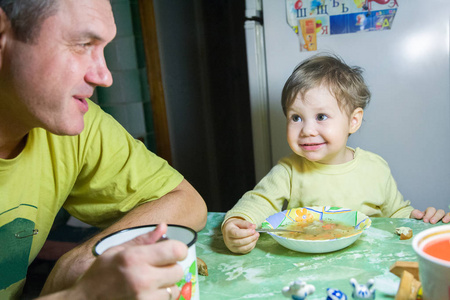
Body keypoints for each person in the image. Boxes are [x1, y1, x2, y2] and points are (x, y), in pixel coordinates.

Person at [0, 0, 207, 299]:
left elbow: (186, 202)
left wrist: (79, 261)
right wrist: (81, 295)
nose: (104, 76)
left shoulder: (72, 124)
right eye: (83, 44)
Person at [222, 54, 450, 254]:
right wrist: (238, 223)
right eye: (296, 117)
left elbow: (398, 212)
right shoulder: (288, 171)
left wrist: (421, 218)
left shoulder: (375, 168)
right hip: (307, 268)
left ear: (353, 121)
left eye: (321, 116)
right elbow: (259, 201)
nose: (307, 131)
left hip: (368, 263)